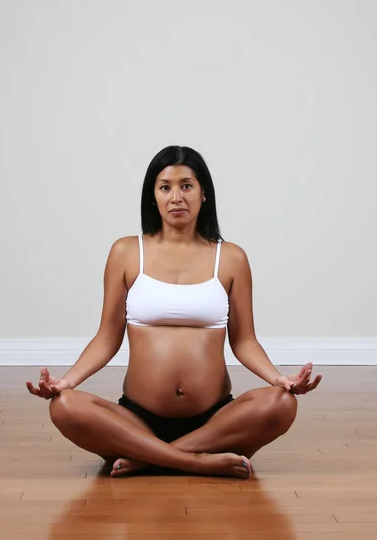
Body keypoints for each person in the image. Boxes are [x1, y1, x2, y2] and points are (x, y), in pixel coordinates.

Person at [26, 145, 322, 479]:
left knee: (282, 403)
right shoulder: (126, 252)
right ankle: (197, 461)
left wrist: (278, 378)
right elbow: (107, 338)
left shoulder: (231, 257)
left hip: (215, 419)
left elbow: (245, 341)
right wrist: (67, 381)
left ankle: (150, 458)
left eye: (186, 185)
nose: (176, 196)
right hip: (137, 419)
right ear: (153, 196)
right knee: (65, 406)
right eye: (165, 187)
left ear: (203, 194)